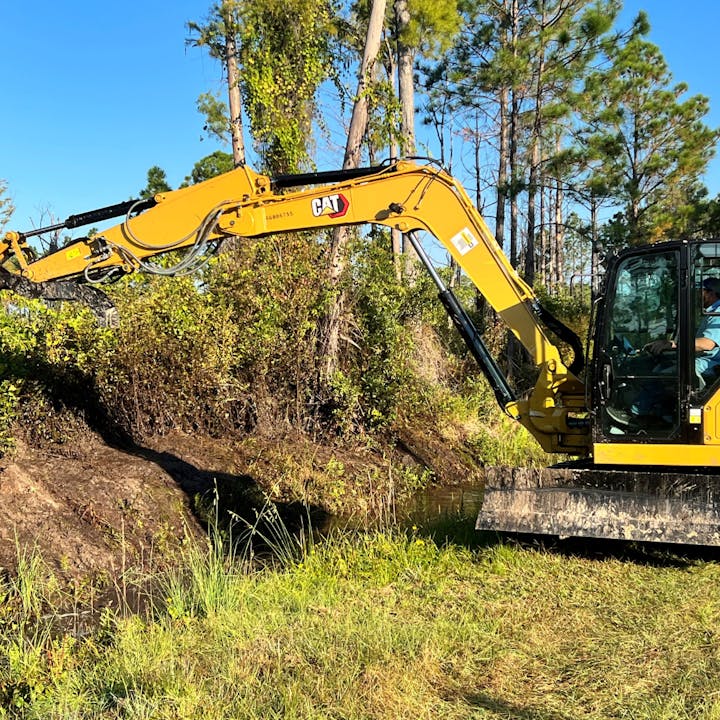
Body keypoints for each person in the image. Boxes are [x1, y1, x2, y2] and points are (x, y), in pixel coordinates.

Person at [645, 276, 720, 383]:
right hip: (702, 359)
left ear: (711, 294)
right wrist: (672, 344)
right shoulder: (711, 313)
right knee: (661, 367)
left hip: (710, 364)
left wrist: (674, 345)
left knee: (665, 376)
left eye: (700, 291)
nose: (696, 295)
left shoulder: (717, 313)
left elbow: (707, 344)